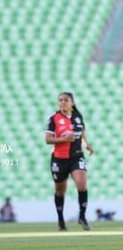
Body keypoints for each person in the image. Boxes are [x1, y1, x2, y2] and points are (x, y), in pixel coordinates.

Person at [45, 92, 94, 231]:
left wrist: (87, 145)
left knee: (82, 185)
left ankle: (82, 217)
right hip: (59, 159)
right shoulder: (53, 119)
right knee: (60, 192)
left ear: (72, 103)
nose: (62, 102)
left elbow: (81, 134)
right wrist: (63, 139)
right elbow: (48, 139)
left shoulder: (78, 117)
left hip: (76, 156)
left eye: (65, 100)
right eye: (60, 100)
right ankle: (61, 220)